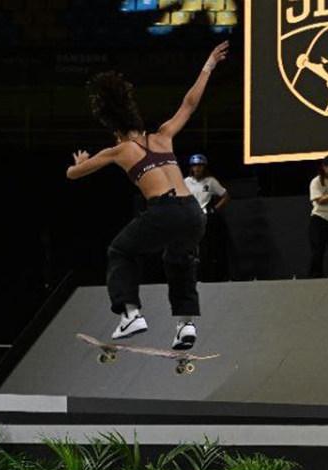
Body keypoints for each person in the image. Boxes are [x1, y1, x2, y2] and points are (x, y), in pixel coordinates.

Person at [66, 41, 230, 349]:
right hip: (193, 213)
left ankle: (131, 314)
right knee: (179, 258)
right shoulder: (163, 135)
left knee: (120, 251)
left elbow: (73, 175)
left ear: (115, 128)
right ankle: (186, 325)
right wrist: (209, 64)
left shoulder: (118, 150)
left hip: (165, 210)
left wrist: (78, 163)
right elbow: (189, 104)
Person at [185, 153, 229, 281]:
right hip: (190, 218)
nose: (197, 168)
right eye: (195, 165)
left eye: (200, 165)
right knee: (190, 247)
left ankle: (204, 277)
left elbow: (226, 196)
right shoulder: (186, 182)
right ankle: (191, 277)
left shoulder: (210, 181)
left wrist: (214, 209)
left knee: (205, 248)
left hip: (205, 218)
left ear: (204, 167)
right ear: (191, 167)